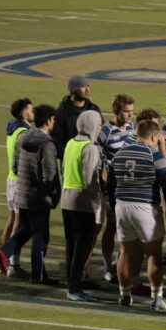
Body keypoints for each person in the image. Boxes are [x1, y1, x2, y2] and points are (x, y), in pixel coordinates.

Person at [112, 119, 166, 309]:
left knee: (124, 252)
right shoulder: (155, 154)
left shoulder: (120, 153)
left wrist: (113, 205)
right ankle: (156, 298)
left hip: (122, 205)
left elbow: (110, 183)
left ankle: (124, 295)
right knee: (153, 254)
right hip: (145, 207)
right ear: (153, 135)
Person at [0, 105, 61, 285]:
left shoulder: (23, 136)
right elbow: (50, 174)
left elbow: (15, 166)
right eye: (53, 120)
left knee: (27, 230)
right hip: (38, 198)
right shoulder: (47, 143)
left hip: (21, 193)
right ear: (48, 120)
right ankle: (38, 275)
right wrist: (54, 195)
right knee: (40, 236)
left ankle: (5, 251)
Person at [60, 110, 104, 302]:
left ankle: (71, 284)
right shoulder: (90, 148)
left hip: (66, 199)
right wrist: (97, 200)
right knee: (83, 247)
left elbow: (63, 170)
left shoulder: (71, 143)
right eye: (98, 124)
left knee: (71, 245)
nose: (100, 128)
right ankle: (75, 287)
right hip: (82, 202)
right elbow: (90, 179)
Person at [96, 93, 136, 284]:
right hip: (112, 185)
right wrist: (102, 174)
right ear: (117, 111)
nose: (130, 116)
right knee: (111, 225)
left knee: (127, 226)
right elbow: (96, 156)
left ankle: (119, 263)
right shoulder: (105, 131)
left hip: (129, 185)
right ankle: (106, 266)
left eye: (131, 112)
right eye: (126, 112)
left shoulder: (132, 128)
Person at [0, 98, 33, 278]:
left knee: (12, 218)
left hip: (11, 179)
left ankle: (4, 260)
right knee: (19, 222)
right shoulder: (24, 132)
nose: (33, 111)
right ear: (23, 114)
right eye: (30, 108)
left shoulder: (13, 128)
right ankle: (13, 264)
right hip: (20, 180)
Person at [51, 75, 101, 161]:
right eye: (83, 87)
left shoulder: (94, 109)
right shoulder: (61, 111)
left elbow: (101, 134)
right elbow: (56, 139)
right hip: (70, 160)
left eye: (88, 86)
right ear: (74, 90)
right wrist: (68, 156)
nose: (87, 90)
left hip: (91, 158)